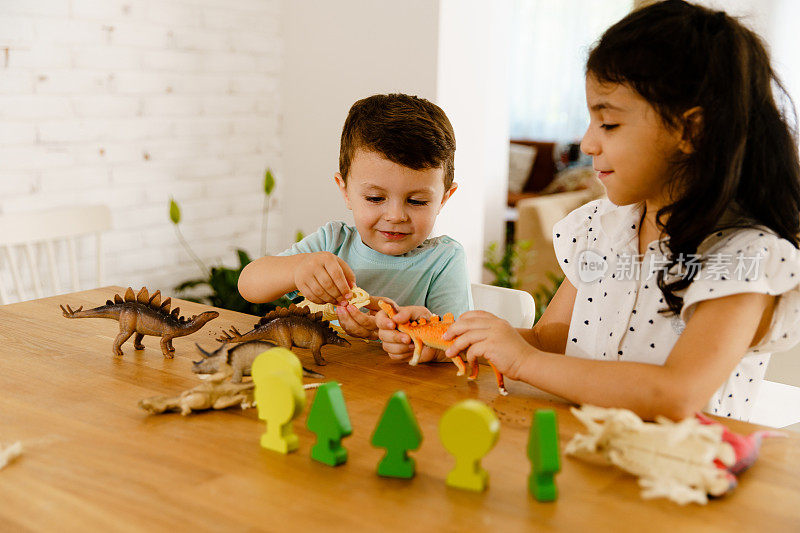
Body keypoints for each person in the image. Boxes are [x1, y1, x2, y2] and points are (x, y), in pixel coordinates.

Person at [377, 0, 800, 422]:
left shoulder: (744, 256)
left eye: (609, 124)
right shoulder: (602, 228)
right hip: (585, 452)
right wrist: (448, 338)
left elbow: (676, 394)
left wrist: (521, 360)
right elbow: (550, 340)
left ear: (690, 130)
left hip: (681, 473)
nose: (587, 143)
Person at [239, 93, 472, 341]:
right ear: (345, 191)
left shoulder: (444, 261)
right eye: (375, 198)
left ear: (444, 199)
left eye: (416, 201)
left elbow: (456, 344)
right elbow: (248, 284)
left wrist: (401, 331)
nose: (395, 216)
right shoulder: (332, 243)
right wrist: (297, 269)